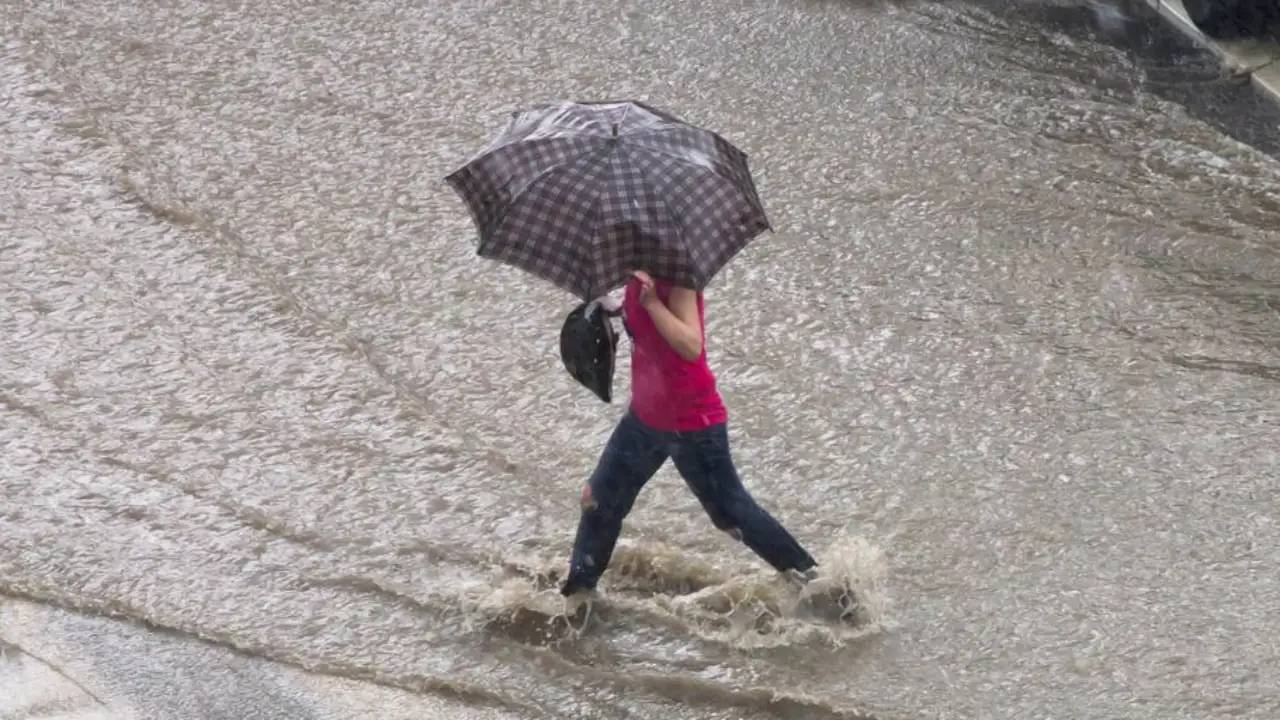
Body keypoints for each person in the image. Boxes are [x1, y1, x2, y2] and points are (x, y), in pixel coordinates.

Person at [560, 269, 820, 597]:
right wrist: (607, 306)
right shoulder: (637, 270)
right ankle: (578, 600)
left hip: (692, 423)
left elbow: (690, 344)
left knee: (730, 515)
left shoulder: (677, 273)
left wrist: (653, 304)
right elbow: (638, 318)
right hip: (645, 419)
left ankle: (816, 586)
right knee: (598, 501)